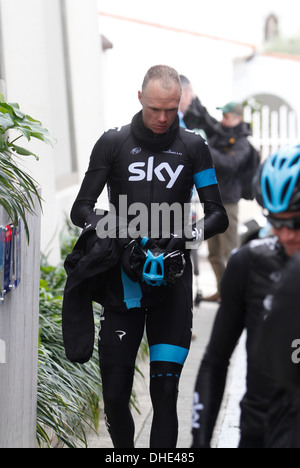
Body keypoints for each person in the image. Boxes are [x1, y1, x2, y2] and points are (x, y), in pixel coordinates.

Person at [70, 65, 228, 448]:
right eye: (156, 108)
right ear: (140, 98)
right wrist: (120, 230)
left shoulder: (193, 146)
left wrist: (184, 236)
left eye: (171, 110)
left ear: (179, 104)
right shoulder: (113, 143)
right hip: (123, 281)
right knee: (114, 394)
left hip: (171, 282)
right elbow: (81, 209)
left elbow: (217, 214)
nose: (162, 118)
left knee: (165, 394)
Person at [191, 143, 300, 448]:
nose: (288, 235)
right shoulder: (249, 262)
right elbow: (214, 360)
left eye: (297, 222)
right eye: (277, 222)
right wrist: (199, 442)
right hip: (261, 429)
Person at [204, 101, 259, 302]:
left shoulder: (242, 143)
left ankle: (236, 295)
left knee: (230, 252)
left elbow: (230, 164)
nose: (223, 120)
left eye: (226, 117)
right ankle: (222, 291)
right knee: (213, 252)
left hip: (228, 203)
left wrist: (208, 148)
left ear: (237, 118)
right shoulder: (221, 137)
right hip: (212, 201)